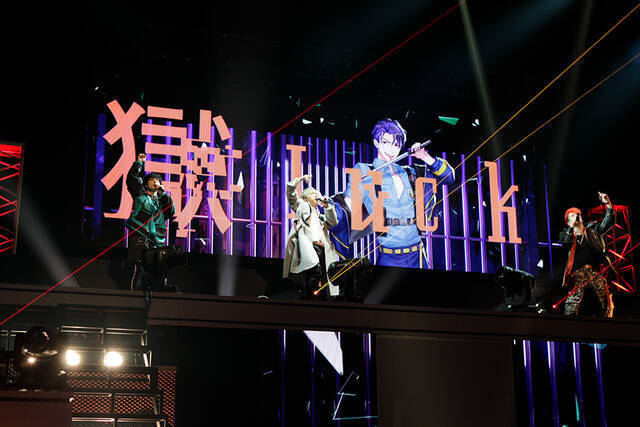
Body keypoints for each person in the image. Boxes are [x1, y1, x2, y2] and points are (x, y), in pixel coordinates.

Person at [332, 118, 455, 268]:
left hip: (418, 254)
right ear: (376, 142)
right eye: (385, 142)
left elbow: (449, 177)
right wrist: (330, 209)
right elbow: (348, 209)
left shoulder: (411, 172)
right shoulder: (364, 171)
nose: (391, 149)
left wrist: (424, 156)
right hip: (389, 256)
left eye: (396, 145)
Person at [283, 174, 340, 298]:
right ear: (305, 198)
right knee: (313, 271)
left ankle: (316, 296)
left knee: (323, 277)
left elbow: (333, 222)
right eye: (312, 193)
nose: (316, 195)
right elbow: (291, 194)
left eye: (316, 194)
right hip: (308, 248)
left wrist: (327, 207)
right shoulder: (301, 206)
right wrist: (300, 180)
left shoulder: (320, 217)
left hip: (322, 249)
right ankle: (308, 295)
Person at [126, 153, 176, 293]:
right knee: (138, 268)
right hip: (140, 237)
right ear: (146, 183)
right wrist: (139, 163)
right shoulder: (140, 194)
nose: (155, 182)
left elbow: (171, 212)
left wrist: (164, 194)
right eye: (152, 180)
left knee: (158, 270)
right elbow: (131, 179)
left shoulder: (161, 202)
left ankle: (160, 293)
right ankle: (133, 295)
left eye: (157, 180)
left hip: (156, 240)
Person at [560, 192, 615, 317]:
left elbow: (608, 223)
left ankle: (606, 320)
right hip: (577, 273)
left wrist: (608, 204)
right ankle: (569, 321)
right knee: (573, 301)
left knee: (605, 298)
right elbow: (566, 242)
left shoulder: (592, 231)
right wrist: (571, 227)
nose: (577, 216)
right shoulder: (565, 234)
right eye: (572, 215)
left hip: (594, 271)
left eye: (578, 214)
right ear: (568, 222)